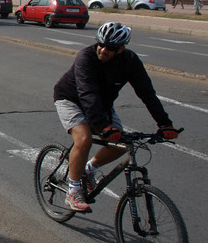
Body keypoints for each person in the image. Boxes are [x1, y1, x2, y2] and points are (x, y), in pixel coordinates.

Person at [52, 22, 178, 212]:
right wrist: (103, 127)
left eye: (109, 48)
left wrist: (165, 124)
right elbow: (87, 94)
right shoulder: (86, 57)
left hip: (101, 104)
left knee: (123, 143)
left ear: (121, 49)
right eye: (100, 44)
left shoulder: (130, 61)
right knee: (84, 139)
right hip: (70, 98)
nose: (102, 50)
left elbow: (147, 93)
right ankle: (74, 191)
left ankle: (88, 170)